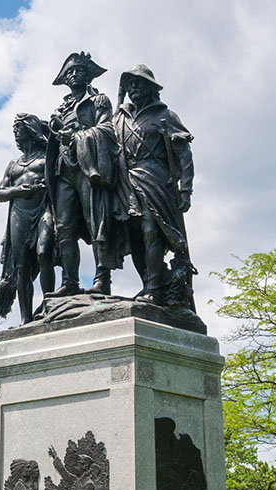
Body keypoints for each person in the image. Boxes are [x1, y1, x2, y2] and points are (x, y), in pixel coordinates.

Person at [112, 65, 195, 306]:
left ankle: (154, 288)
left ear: (150, 88)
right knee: (134, 236)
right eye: (129, 84)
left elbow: (184, 155)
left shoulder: (165, 116)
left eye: (139, 83)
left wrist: (186, 189)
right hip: (126, 181)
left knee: (152, 231)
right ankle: (148, 283)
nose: (133, 88)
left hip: (155, 178)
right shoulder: (120, 117)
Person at [46, 52, 121, 296]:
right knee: (64, 227)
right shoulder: (61, 108)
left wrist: (78, 136)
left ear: (88, 75)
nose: (74, 74)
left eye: (79, 70)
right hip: (63, 169)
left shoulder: (98, 100)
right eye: (69, 72)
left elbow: (107, 130)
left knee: (95, 222)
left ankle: (102, 279)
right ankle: (69, 282)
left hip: (89, 167)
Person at [0, 114, 55, 323]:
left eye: (18, 130)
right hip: (19, 213)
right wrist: (18, 190)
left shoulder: (46, 157)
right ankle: (25, 318)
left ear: (30, 130)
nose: (16, 135)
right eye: (14, 131)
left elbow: (57, 183)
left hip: (43, 209)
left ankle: (51, 306)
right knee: (22, 267)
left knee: (44, 252)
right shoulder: (13, 165)